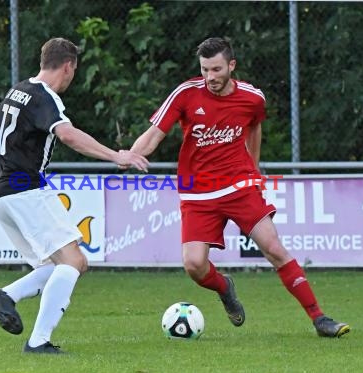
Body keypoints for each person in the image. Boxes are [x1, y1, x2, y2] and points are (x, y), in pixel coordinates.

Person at [127, 37, 350, 338]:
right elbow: (155, 133)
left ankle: (320, 318)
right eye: (204, 69)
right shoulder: (186, 94)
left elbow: (254, 124)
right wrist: (132, 154)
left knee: (274, 248)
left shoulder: (252, 97)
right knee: (194, 265)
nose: (210, 77)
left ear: (231, 65)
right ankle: (224, 287)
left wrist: (253, 169)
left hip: (239, 185)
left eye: (216, 69)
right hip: (197, 192)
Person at [0, 37, 149, 354]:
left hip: (1, 194)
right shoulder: (45, 97)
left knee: (54, 266)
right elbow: (67, 134)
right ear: (69, 66)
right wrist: (116, 156)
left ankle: (7, 296)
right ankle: (38, 340)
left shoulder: (18, 90)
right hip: (26, 188)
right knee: (75, 260)